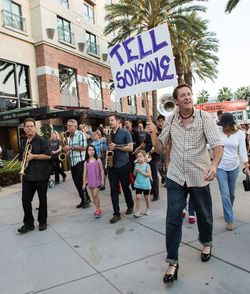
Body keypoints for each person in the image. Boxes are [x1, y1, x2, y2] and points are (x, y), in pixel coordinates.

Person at [146, 83, 223, 284]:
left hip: (199, 176)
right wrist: (153, 132)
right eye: (183, 95)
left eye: (189, 93)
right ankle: (172, 261)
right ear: (176, 100)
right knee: (172, 218)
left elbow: (217, 144)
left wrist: (214, 165)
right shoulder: (171, 120)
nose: (187, 97)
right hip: (176, 176)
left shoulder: (204, 117)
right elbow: (160, 148)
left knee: (204, 215)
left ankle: (206, 242)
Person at [216, 112, 250, 231]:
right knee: (225, 194)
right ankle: (230, 220)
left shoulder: (240, 134)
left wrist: (246, 165)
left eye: (225, 124)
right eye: (222, 124)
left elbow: (242, 150)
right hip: (220, 166)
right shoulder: (218, 132)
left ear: (231, 124)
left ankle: (227, 212)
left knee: (231, 194)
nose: (223, 127)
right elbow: (211, 146)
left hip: (234, 166)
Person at [17, 118, 51, 234]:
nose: (29, 128)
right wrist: (22, 169)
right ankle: (28, 223)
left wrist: (34, 156)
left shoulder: (42, 140)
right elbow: (21, 158)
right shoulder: (23, 142)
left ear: (35, 128)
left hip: (41, 175)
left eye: (31, 126)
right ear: (24, 128)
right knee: (25, 200)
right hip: (27, 176)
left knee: (42, 200)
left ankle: (42, 222)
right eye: (27, 126)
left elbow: (48, 156)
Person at [107, 113, 134, 223]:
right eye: (109, 120)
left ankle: (130, 205)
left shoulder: (125, 132)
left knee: (125, 187)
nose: (110, 122)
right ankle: (116, 213)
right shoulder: (108, 134)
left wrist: (116, 147)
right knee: (113, 191)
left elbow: (131, 148)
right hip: (112, 166)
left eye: (112, 120)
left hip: (124, 165)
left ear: (118, 121)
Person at [64, 119, 90, 208]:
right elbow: (71, 150)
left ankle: (87, 200)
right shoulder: (68, 137)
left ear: (75, 126)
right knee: (76, 183)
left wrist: (70, 147)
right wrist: (67, 151)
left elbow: (83, 147)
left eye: (70, 125)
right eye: (67, 125)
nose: (68, 127)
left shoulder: (80, 134)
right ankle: (83, 199)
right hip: (72, 163)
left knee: (81, 182)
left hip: (80, 162)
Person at [83, 145, 104, 218]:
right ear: (87, 152)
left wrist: (103, 181)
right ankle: (97, 209)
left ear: (95, 151)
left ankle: (98, 210)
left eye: (93, 150)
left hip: (97, 181)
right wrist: (84, 183)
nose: (91, 151)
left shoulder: (98, 160)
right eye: (89, 150)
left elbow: (102, 171)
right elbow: (85, 173)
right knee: (94, 197)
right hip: (90, 182)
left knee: (95, 195)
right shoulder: (86, 162)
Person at [133, 150, 152, 217]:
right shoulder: (136, 165)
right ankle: (138, 211)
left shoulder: (147, 165)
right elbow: (134, 175)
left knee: (147, 197)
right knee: (138, 197)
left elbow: (149, 174)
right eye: (137, 157)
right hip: (138, 184)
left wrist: (141, 172)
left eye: (140, 156)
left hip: (145, 184)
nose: (139, 158)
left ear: (144, 157)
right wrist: (135, 172)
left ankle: (148, 209)